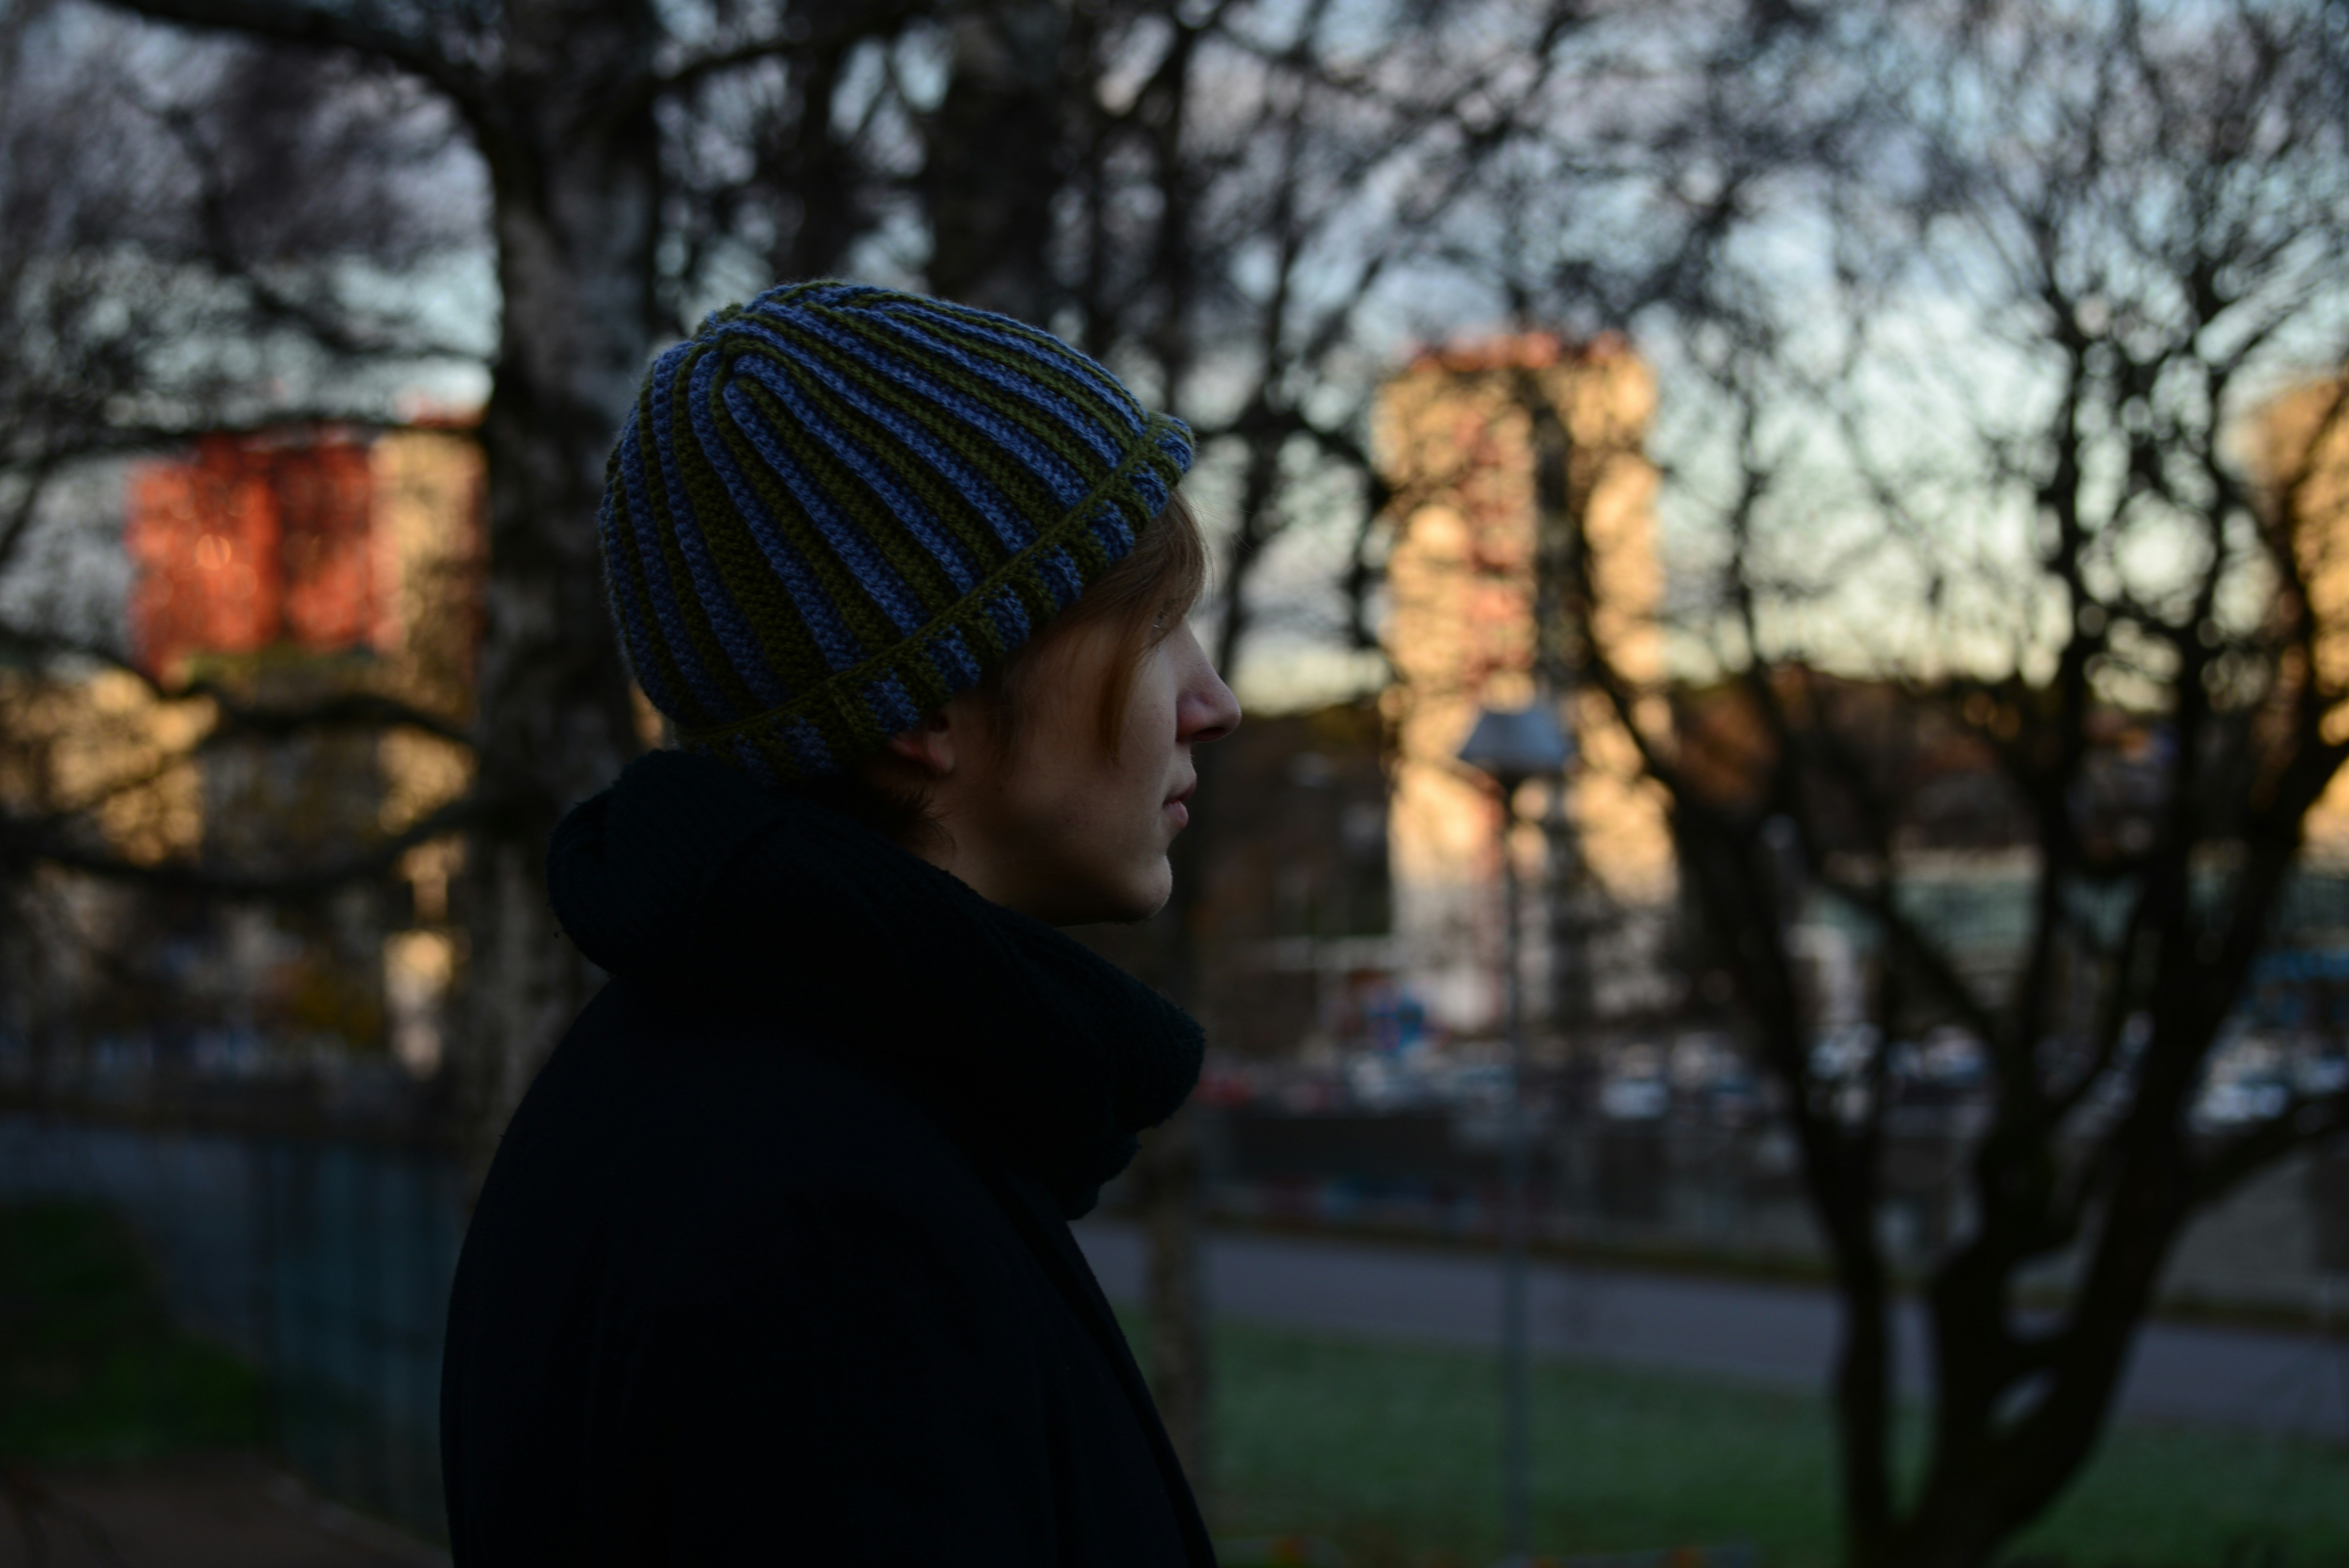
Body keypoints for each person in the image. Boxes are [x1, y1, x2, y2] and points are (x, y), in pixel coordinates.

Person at [439, 281, 1241, 1564]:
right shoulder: (818, 1228)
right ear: (927, 710)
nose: (1215, 699)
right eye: (1153, 631)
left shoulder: (753, 1097)